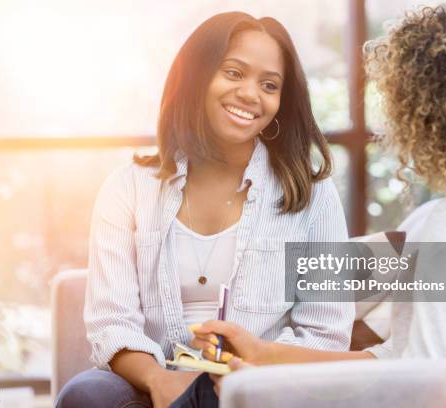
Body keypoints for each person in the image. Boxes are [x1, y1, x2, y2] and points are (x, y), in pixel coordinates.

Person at [182, 6, 446, 406]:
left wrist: (272, 388)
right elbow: (396, 356)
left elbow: (424, 386)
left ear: (424, 113)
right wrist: (265, 355)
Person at [55, 11, 353, 408]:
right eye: (233, 73)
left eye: (269, 85)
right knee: (86, 395)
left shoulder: (313, 195)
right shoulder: (127, 188)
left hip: (263, 387)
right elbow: (113, 322)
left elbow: (325, 331)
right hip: (154, 381)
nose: (250, 94)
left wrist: (250, 372)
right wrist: (160, 380)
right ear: (197, 77)